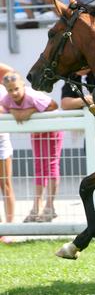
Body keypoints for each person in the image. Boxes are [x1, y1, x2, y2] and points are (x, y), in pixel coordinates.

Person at [0, 71, 64, 223]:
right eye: (10, 90)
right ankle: (36, 207)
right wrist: (13, 111)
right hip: (37, 133)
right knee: (39, 167)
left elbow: (53, 104)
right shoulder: (6, 99)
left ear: (23, 85)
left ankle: (50, 206)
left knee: (52, 165)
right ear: (5, 90)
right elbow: (3, 108)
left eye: (16, 88)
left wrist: (31, 110)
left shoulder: (33, 96)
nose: (14, 93)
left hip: (52, 130)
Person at [0, 63, 15, 243]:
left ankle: (10, 228)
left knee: (6, 185)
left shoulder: (3, 90)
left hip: (1, 143)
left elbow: (8, 109)